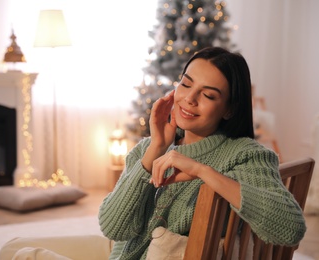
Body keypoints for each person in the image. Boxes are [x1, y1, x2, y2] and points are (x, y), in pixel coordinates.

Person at [98, 47, 306, 259]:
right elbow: (113, 228)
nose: (190, 98)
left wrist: (201, 171)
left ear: (230, 109)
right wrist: (157, 147)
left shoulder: (245, 155)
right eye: (186, 84)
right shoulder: (147, 148)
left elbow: (290, 229)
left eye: (208, 95)